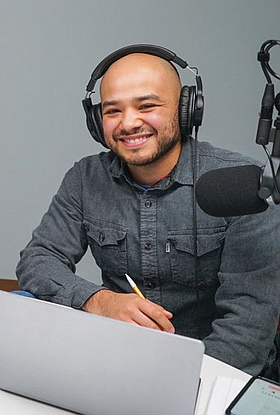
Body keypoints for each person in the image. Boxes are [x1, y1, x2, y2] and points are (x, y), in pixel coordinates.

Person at [15, 44, 280, 376]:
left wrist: (179, 384)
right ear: (97, 122)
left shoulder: (246, 187)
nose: (128, 123)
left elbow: (247, 327)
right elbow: (39, 259)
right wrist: (99, 301)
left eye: (147, 105)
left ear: (186, 110)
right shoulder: (85, 178)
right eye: (113, 111)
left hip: (213, 370)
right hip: (121, 359)